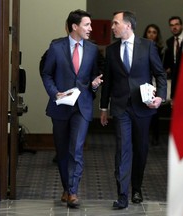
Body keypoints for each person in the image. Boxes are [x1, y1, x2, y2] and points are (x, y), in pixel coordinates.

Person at [100, 10, 167, 209]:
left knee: (141, 149)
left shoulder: (147, 46)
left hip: (143, 107)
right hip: (121, 108)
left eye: (115, 23)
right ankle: (122, 195)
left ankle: (136, 188)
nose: (112, 27)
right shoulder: (111, 50)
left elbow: (160, 74)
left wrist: (160, 97)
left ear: (128, 25)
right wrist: (104, 108)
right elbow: (108, 82)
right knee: (122, 150)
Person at [40, 9, 103, 208]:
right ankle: (66, 188)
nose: (91, 29)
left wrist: (95, 83)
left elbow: (94, 75)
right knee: (62, 150)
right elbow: (46, 74)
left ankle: (73, 191)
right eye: (87, 25)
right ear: (75, 27)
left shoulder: (93, 49)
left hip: (82, 106)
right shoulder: (56, 46)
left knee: (76, 149)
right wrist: (54, 92)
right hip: (60, 106)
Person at [143, 23, 165, 146]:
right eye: (149, 32)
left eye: (154, 32)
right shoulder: (140, 47)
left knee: (156, 110)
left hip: (156, 81)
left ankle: (155, 136)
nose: (151, 34)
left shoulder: (161, 49)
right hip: (144, 81)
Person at [163, 16, 183, 104]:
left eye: (176, 24)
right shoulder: (169, 42)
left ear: (182, 26)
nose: (174, 27)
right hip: (175, 78)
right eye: (171, 25)